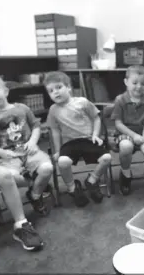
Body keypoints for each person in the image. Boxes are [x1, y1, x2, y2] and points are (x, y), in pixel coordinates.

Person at [0, 73, 53, 220]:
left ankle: (35, 195)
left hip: (29, 152)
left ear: (5, 91)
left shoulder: (22, 108)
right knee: (11, 178)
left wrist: (33, 142)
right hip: (7, 158)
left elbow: (36, 126)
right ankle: (35, 183)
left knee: (47, 168)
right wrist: (3, 153)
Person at [44, 71, 111, 207]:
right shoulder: (53, 110)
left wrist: (95, 135)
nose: (55, 92)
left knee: (107, 158)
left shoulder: (82, 102)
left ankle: (92, 180)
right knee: (62, 161)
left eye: (58, 87)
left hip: (87, 140)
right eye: (51, 91)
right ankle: (72, 188)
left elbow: (96, 118)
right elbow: (55, 131)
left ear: (68, 87)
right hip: (70, 143)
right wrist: (57, 150)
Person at [111, 65, 144, 195]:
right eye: (134, 83)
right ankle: (126, 173)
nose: (139, 86)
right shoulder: (120, 100)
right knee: (126, 146)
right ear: (126, 82)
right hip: (126, 132)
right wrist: (134, 136)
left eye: (143, 83)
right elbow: (118, 123)